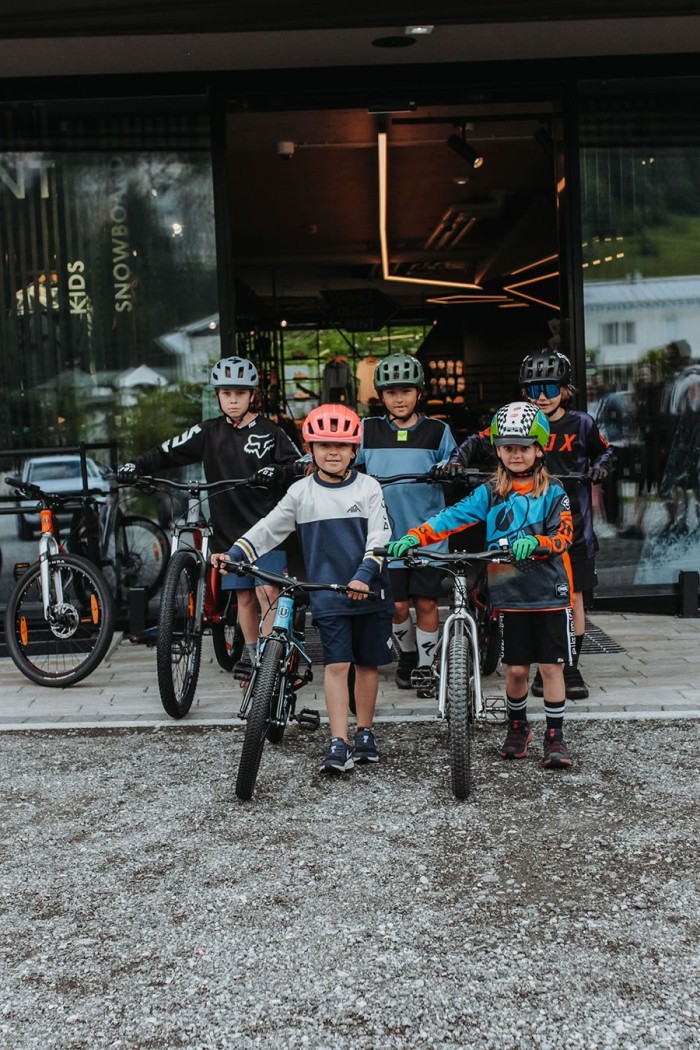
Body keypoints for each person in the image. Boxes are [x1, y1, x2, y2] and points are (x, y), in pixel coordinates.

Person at [388, 401, 575, 769]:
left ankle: (556, 736)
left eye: (523, 447)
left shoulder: (554, 492)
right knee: (517, 670)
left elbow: (565, 536)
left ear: (539, 448)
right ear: (498, 450)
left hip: (549, 594)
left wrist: (538, 543)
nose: (515, 454)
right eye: (507, 447)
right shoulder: (490, 492)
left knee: (551, 669)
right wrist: (415, 536)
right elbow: (453, 517)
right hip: (509, 595)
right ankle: (518, 728)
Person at [211, 403, 395, 775]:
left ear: (354, 450)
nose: (332, 452)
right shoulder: (301, 492)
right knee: (337, 665)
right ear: (309, 449)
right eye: (324, 445)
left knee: (367, 664)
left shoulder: (369, 487)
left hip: (370, 589)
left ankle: (365, 732)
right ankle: (338, 740)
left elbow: (381, 535)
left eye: (341, 446)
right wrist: (234, 553)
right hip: (328, 594)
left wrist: (363, 574)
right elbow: (269, 528)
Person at [446, 349, 615, 701]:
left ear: (564, 389)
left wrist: (601, 467)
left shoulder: (581, 423)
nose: (541, 395)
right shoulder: (515, 420)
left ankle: (567, 666)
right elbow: (477, 441)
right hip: (522, 526)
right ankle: (525, 662)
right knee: (520, 595)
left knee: (574, 596)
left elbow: (606, 451)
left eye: (550, 387)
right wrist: (456, 460)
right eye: (534, 387)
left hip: (571, 526)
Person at [117, 356, 302, 672]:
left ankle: (272, 664)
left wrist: (277, 471)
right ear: (217, 395)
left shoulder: (271, 431)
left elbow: (300, 464)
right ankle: (254, 656)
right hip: (230, 532)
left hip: (267, 528)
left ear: (252, 395)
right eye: (226, 393)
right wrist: (137, 465)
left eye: (240, 394)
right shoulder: (208, 431)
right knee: (244, 597)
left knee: (266, 591)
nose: (233, 400)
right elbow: (166, 451)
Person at [355, 353, 457, 696]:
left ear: (419, 393)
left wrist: (451, 468)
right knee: (397, 606)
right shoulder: (368, 430)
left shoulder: (438, 431)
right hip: (387, 536)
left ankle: (427, 667)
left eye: (407, 391)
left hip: (429, 535)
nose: (399, 399)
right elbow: (336, 456)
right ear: (380, 396)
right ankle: (409, 657)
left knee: (426, 603)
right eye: (391, 392)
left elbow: (455, 460)